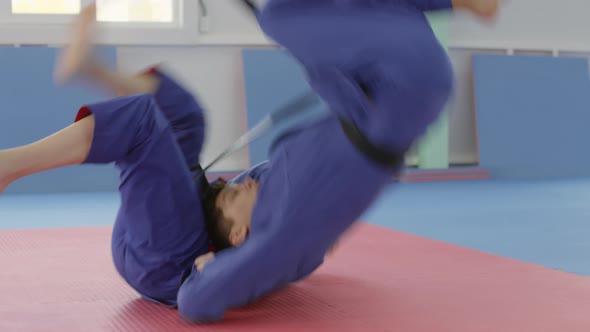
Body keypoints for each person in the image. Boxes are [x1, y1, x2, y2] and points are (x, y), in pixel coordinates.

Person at [173, 0, 501, 323]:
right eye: (234, 195)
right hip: (400, 88)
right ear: (239, 236)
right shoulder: (282, 235)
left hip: (376, 86)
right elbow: (195, 302)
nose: (243, 182)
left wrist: (200, 190)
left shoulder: (269, 192)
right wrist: (213, 267)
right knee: (280, 16)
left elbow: (249, 186)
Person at [0, 3, 259, 308]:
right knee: (187, 117)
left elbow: (277, 256)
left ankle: (9, 166)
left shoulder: (265, 241)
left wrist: (230, 267)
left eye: (257, 194)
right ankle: (91, 68)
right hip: (180, 219)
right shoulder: (263, 194)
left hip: (170, 262)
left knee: (142, 120)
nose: (252, 184)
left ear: (241, 234)